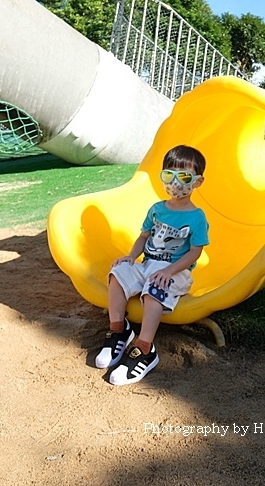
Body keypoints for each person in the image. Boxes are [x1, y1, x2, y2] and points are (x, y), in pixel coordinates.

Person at [95, 144, 209, 385]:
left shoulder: (196, 217)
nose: (176, 182)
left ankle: (145, 349)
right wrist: (130, 256)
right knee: (117, 273)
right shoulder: (157, 209)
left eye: (184, 177)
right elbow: (144, 237)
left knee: (153, 290)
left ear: (198, 182)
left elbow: (195, 252)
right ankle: (119, 330)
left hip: (175, 273)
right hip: (147, 265)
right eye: (169, 175)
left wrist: (169, 270)